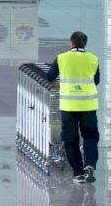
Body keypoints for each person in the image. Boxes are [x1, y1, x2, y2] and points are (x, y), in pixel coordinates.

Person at [48, 30, 100, 183]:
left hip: (69, 105)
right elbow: (96, 80)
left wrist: (58, 84)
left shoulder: (62, 58)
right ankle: (90, 164)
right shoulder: (93, 58)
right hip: (88, 105)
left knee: (71, 139)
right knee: (90, 137)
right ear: (85, 44)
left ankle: (78, 173)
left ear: (71, 43)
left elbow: (50, 76)